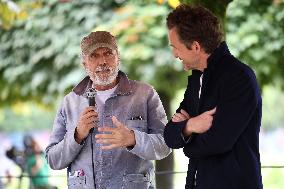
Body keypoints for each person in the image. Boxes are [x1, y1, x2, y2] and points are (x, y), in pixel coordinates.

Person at [45, 31, 171, 189]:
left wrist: (133, 139)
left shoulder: (145, 94)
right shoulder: (70, 102)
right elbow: (53, 160)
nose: (103, 61)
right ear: (84, 63)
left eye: (108, 53)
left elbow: (166, 145)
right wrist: (77, 135)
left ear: (118, 57)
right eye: (94, 56)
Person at [163, 4, 263, 189]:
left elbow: (218, 142)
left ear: (195, 47)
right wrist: (192, 125)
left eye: (175, 47)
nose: (174, 54)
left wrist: (186, 138)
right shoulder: (197, 78)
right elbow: (169, 135)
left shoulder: (239, 77)